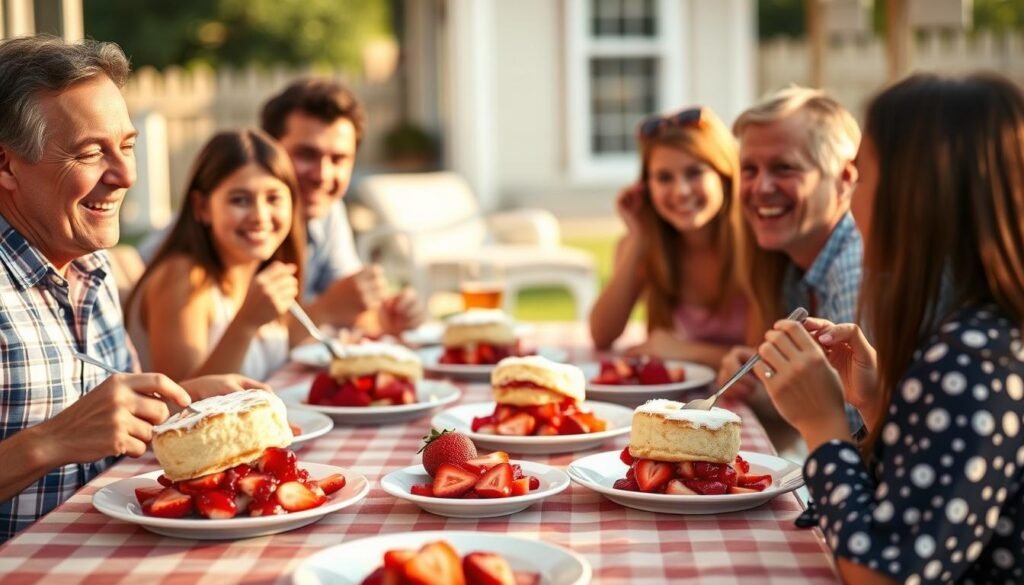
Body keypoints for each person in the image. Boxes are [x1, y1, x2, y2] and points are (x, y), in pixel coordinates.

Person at [753, 73, 1024, 584]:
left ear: (912, 195)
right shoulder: (982, 336)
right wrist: (880, 407)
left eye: (863, 175)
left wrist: (824, 424)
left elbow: (879, 574)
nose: (851, 198)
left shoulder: (970, 360)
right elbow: (928, 499)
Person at [0, 36, 264, 543]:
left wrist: (180, 406)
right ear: (5, 165)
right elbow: (72, 434)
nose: (126, 175)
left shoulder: (91, 265)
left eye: (126, 145)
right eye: (90, 153)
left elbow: (110, 425)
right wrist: (49, 443)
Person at [139, 78, 424, 337]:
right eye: (306, 154)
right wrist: (326, 309)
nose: (322, 175)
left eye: (338, 159)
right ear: (269, 151)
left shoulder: (327, 212)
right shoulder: (211, 233)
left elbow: (349, 309)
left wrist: (385, 317)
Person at [717, 87, 864, 433]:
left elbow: (862, 437)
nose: (761, 187)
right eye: (749, 169)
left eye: (784, 168)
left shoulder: (853, 275)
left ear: (844, 179)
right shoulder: (793, 267)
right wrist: (758, 386)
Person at [126, 130, 305, 381]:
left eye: (274, 198)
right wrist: (245, 324)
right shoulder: (183, 277)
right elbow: (181, 405)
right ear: (202, 207)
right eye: (240, 200)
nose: (260, 216)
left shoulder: (260, 272)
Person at [589, 106, 752, 366]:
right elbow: (602, 335)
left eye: (694, 172)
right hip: (679, 400)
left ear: (724, 175)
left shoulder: (755, 247)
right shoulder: (642, 247)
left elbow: (765, 358)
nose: (681, 191)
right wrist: (640, 236)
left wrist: (682, 350)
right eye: (664, 178)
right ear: (646, 187)